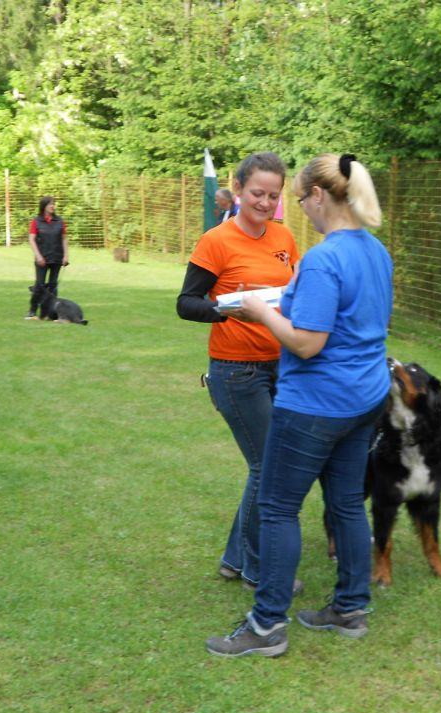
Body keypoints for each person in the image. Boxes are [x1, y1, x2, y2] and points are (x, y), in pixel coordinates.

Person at [205, 153, 393, 658]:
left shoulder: (324, 258)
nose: (297, 209)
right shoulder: (376, 252)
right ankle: (350, 609)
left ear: (317, 196)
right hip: (365, 397)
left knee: (278, 507)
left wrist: (261, 310)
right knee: (347, 503)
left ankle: (266, 627)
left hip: (317, 403)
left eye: (299, 198)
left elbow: (308, 343)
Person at [177, 152, 301, 592]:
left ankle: (235, 559)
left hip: (280, 367)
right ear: (239, 189)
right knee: (268, 466)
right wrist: (230, 308)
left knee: (267, 465)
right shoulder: (216, 240)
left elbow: (295, 293)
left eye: (273, 194)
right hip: (236, 371)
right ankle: (257, 566)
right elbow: (186, 303)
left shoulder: (285, 237)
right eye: (256, 193)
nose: (265, 202)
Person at [26, 196, 69, 320]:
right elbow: (31, 239)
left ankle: (52, 312)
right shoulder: (36, 221)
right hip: (42, 259)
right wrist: (38, 256)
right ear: (44, 206)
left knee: (53, 285)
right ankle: (32, 311)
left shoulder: (60, 221)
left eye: (54, 204)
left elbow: (64, 239)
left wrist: (66, 255)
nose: (53, 206)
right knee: (39, 286)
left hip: (57, 258)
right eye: (50, 204)